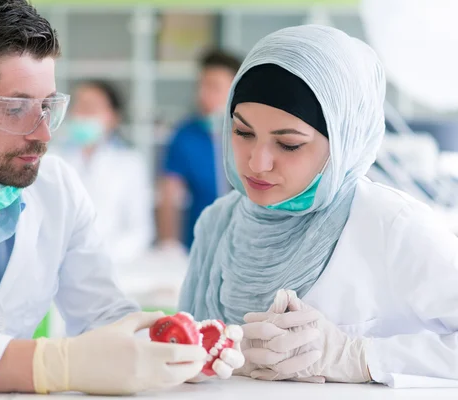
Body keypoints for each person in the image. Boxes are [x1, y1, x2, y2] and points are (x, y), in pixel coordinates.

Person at [0, 0, 243, 395]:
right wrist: (50, 365)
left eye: (48, 107)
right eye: (16, 109)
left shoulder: (56, 186)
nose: (43, 134)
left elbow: (103, 316)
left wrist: (177, 352)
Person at [179, 24, 458, 388]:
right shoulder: (219, 223)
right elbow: (187, 346)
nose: (257, 163)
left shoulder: (393, 225)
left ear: (345, 141)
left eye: (289, 144)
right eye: (243, 133)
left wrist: (359, 356)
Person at [59, 80, 154, 264]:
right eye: (79, 106)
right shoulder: (54, 160)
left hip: (116, 265)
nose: (82, 114)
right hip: (61, 265)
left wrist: (99, 257)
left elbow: (140, 231)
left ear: (113, 117)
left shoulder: (130, 163)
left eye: (91, 107)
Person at [158, 49, 241, 250]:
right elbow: (169, 194)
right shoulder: (186, 134)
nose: (203, 95)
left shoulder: (252, 134)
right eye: (201, 86)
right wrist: (169, 245)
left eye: (214, 87)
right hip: (197, 244)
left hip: (245, 242)